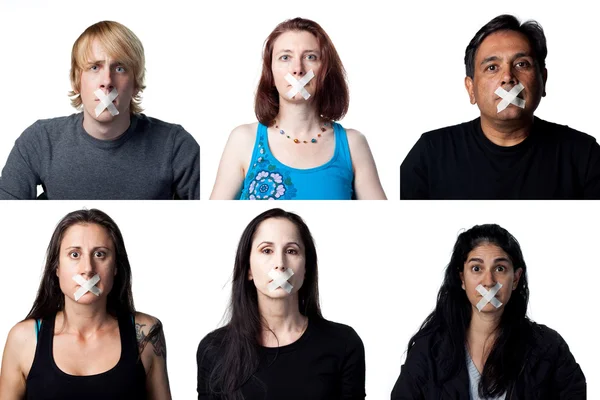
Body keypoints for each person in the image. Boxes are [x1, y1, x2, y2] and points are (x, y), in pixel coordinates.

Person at [400, 14, 600, 199]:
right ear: (471, 89)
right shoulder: (431, 153)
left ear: (543, 80)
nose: (507, 78)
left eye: (522, 64)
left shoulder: (583, 154)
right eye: (492, 67)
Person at [0, 21, 200, 200]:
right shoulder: (40, 140)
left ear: (136, 83)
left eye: (120, 68)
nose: (107, 82)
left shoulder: (175, 145)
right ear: (77, 80)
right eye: (94, 68)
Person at [390, 224, 585, 399]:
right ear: (462, 279)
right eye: (476, 268)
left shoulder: (549, 348)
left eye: (500, 268)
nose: (489, 281)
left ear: (515, 278)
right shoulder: (428, 350)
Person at [0, 209, 171, 399]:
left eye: (100, 254)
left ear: (115, 267)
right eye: (74, 255)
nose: (88, 269)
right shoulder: (24, 339)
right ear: (56, 267)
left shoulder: (146, 333)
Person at [196, 208, 365, 399]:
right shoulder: (214, 348)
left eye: (291, 251)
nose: (280, 263)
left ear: (306, 268)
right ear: (248, 269)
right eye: (266, 250)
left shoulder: (343, 343)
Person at [210, 18, 386, 200]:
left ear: (325, 70)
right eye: (285, 57)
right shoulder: (243, 140)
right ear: (270, 72)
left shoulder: (353, 144)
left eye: (310, 57)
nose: (298, 69)